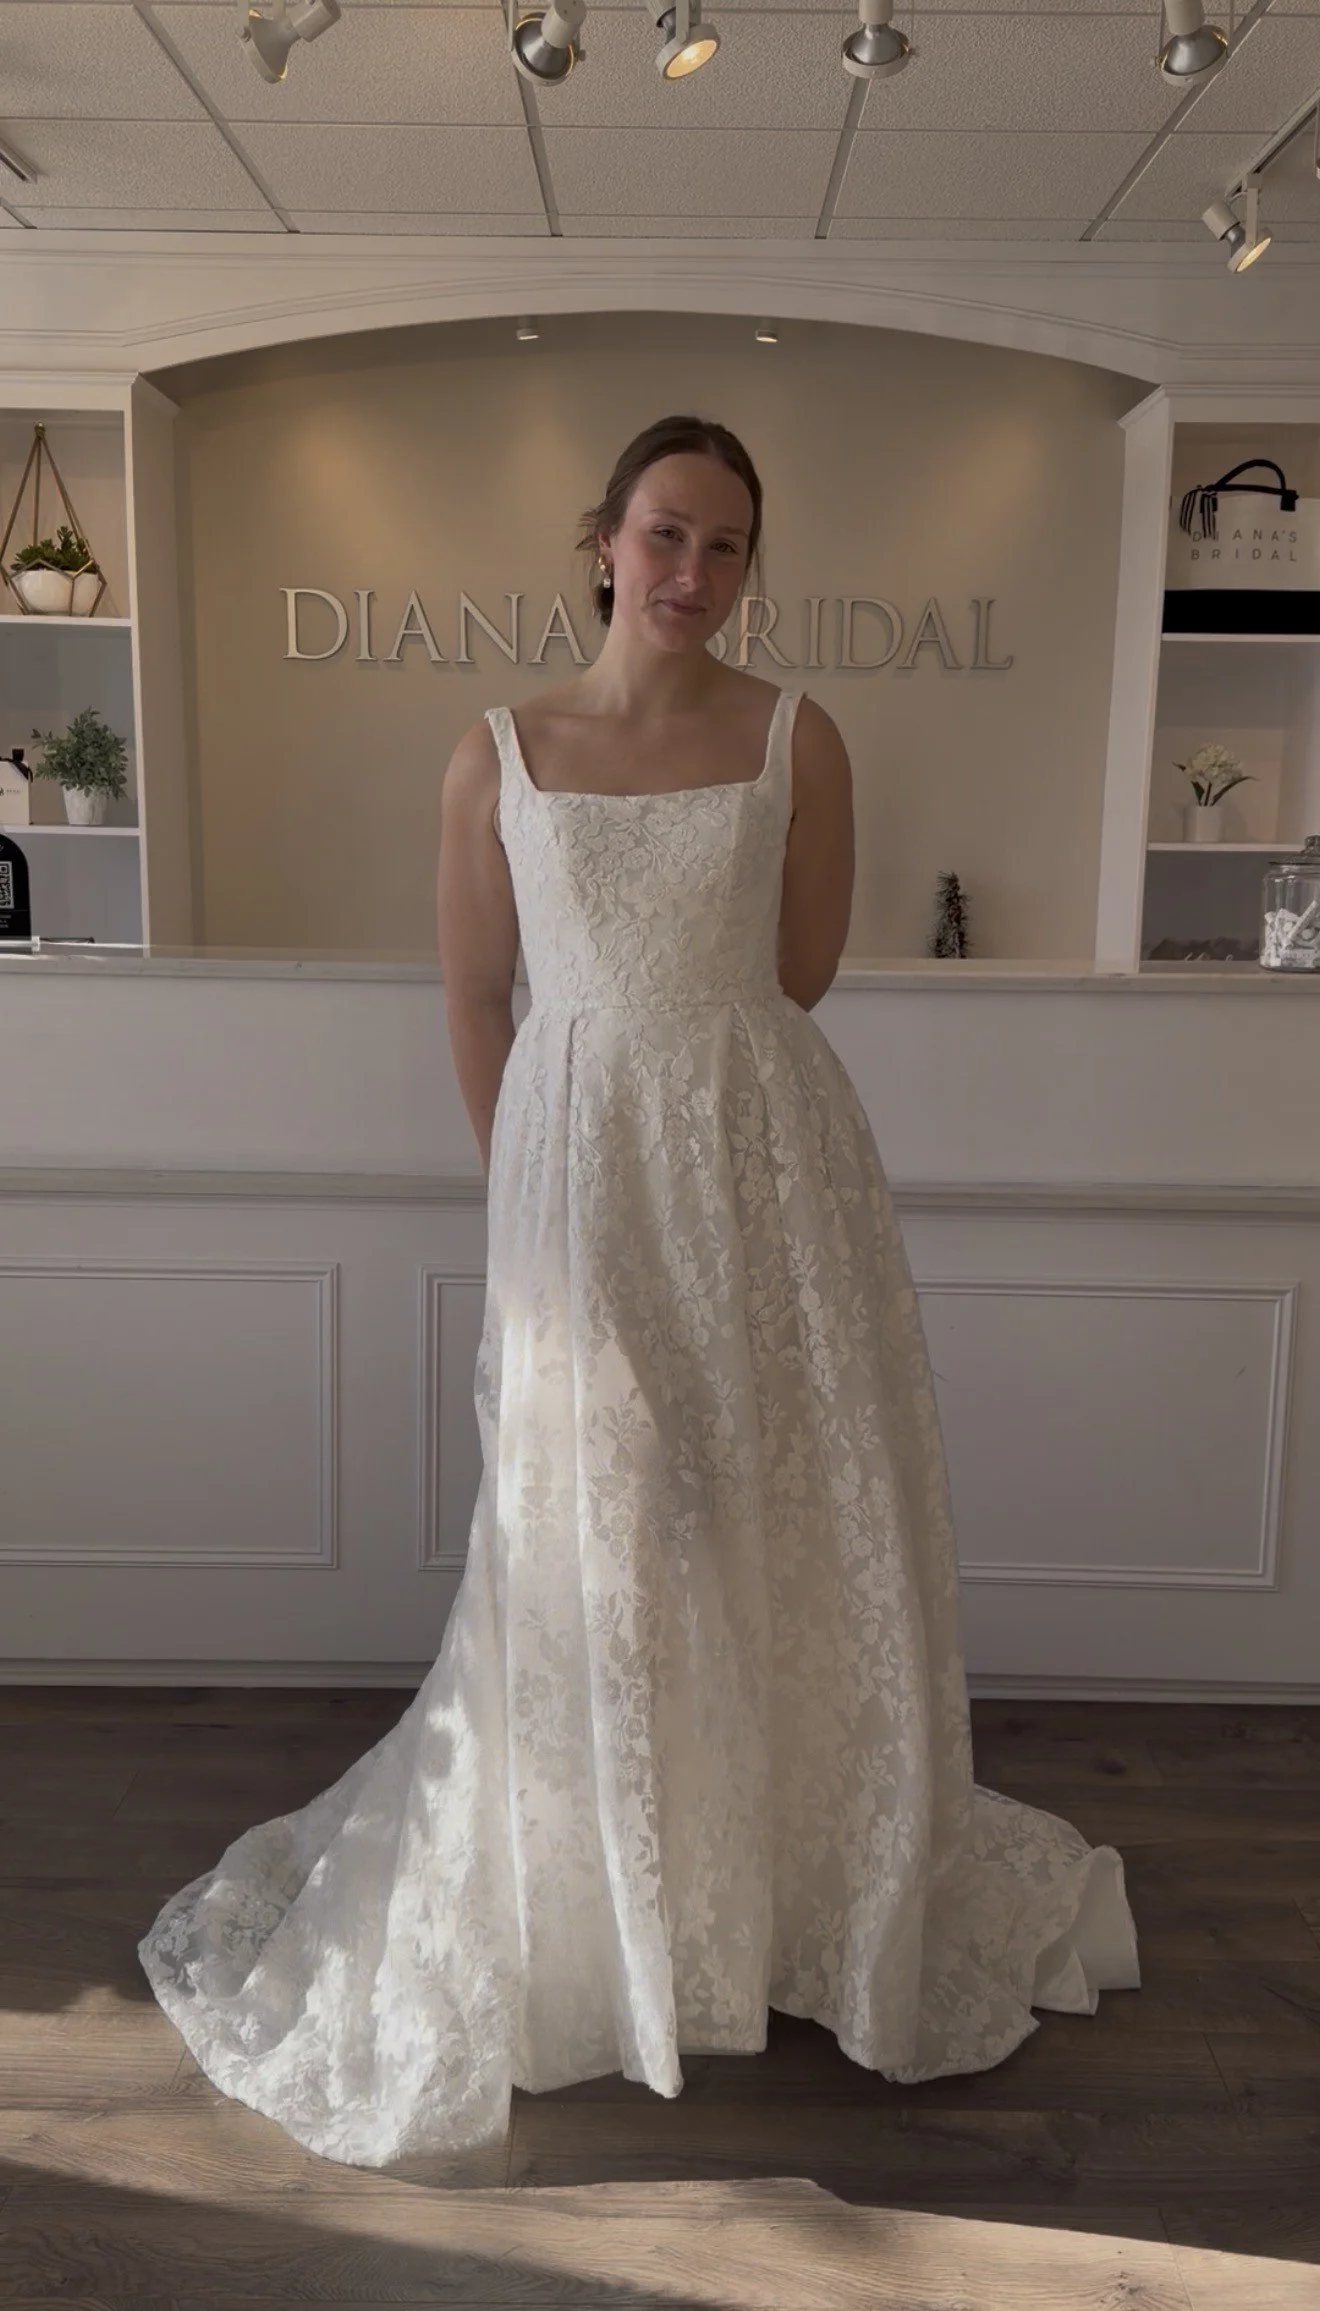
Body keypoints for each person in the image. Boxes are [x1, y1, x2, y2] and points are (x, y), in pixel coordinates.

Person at [137, 411, 1139, 2173]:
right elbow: (475, 999)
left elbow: (802, 974)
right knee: (599, 1540)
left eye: (731, 546)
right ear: (603, 537)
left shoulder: (800, 737)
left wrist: (680, 1087)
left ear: (754, 567)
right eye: (668, 533)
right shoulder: (497, 756)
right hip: (578, 1192)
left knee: (776, 1515)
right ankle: (615, 1908)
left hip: (768, 1185)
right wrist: (530, 1200)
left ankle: (779, 1894)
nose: (694, 572)